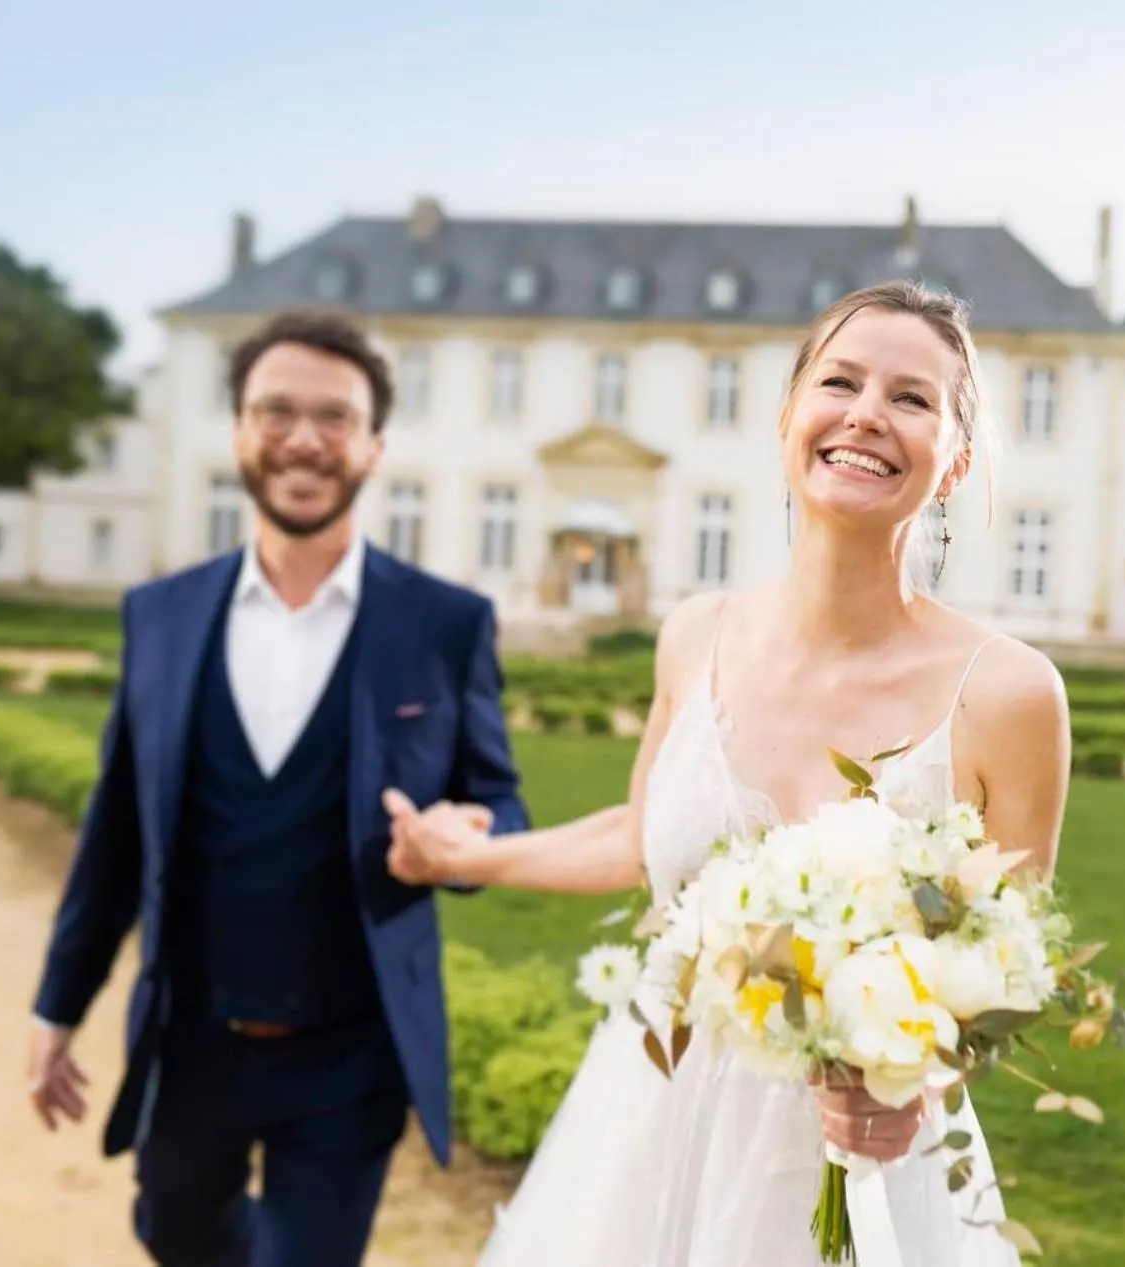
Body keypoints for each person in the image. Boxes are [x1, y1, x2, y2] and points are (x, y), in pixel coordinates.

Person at [386, 281, 1073, 1266]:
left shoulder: (1007, 691)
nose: (866, 413)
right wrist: (461, 856)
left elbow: (1009, 965)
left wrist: (915, 1081)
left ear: (957, 457)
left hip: (861, 1158)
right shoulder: (695, 635)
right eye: (839, 382)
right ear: (788, 416)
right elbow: (639, 837)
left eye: (912, 398)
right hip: (647, 1124)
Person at [24, 308, 524, 1266]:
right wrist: (58, 1008)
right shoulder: (161, 616)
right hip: (191, 1040)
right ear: (239, 432)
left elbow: (500, 804)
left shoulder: (444, 624)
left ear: (374, 445)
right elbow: (115, 837)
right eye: (277, 411)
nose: (304, 438)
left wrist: (469, 840)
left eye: (335, 417)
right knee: (173, 1235)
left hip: (350, 1055)